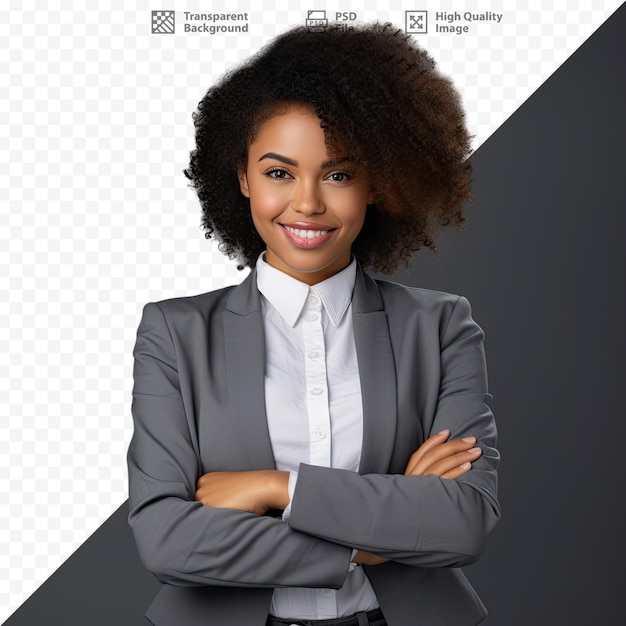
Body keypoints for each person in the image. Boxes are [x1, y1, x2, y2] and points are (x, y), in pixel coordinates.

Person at [127, 22, 500, 626]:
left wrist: (281, 488)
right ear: (243, 178)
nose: (307, 203)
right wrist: (376, 543)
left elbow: (462, 522)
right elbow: (167, 539)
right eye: (279, 173)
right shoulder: (174, 334)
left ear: (376, 182)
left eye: (339, 174)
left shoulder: (440, 327)